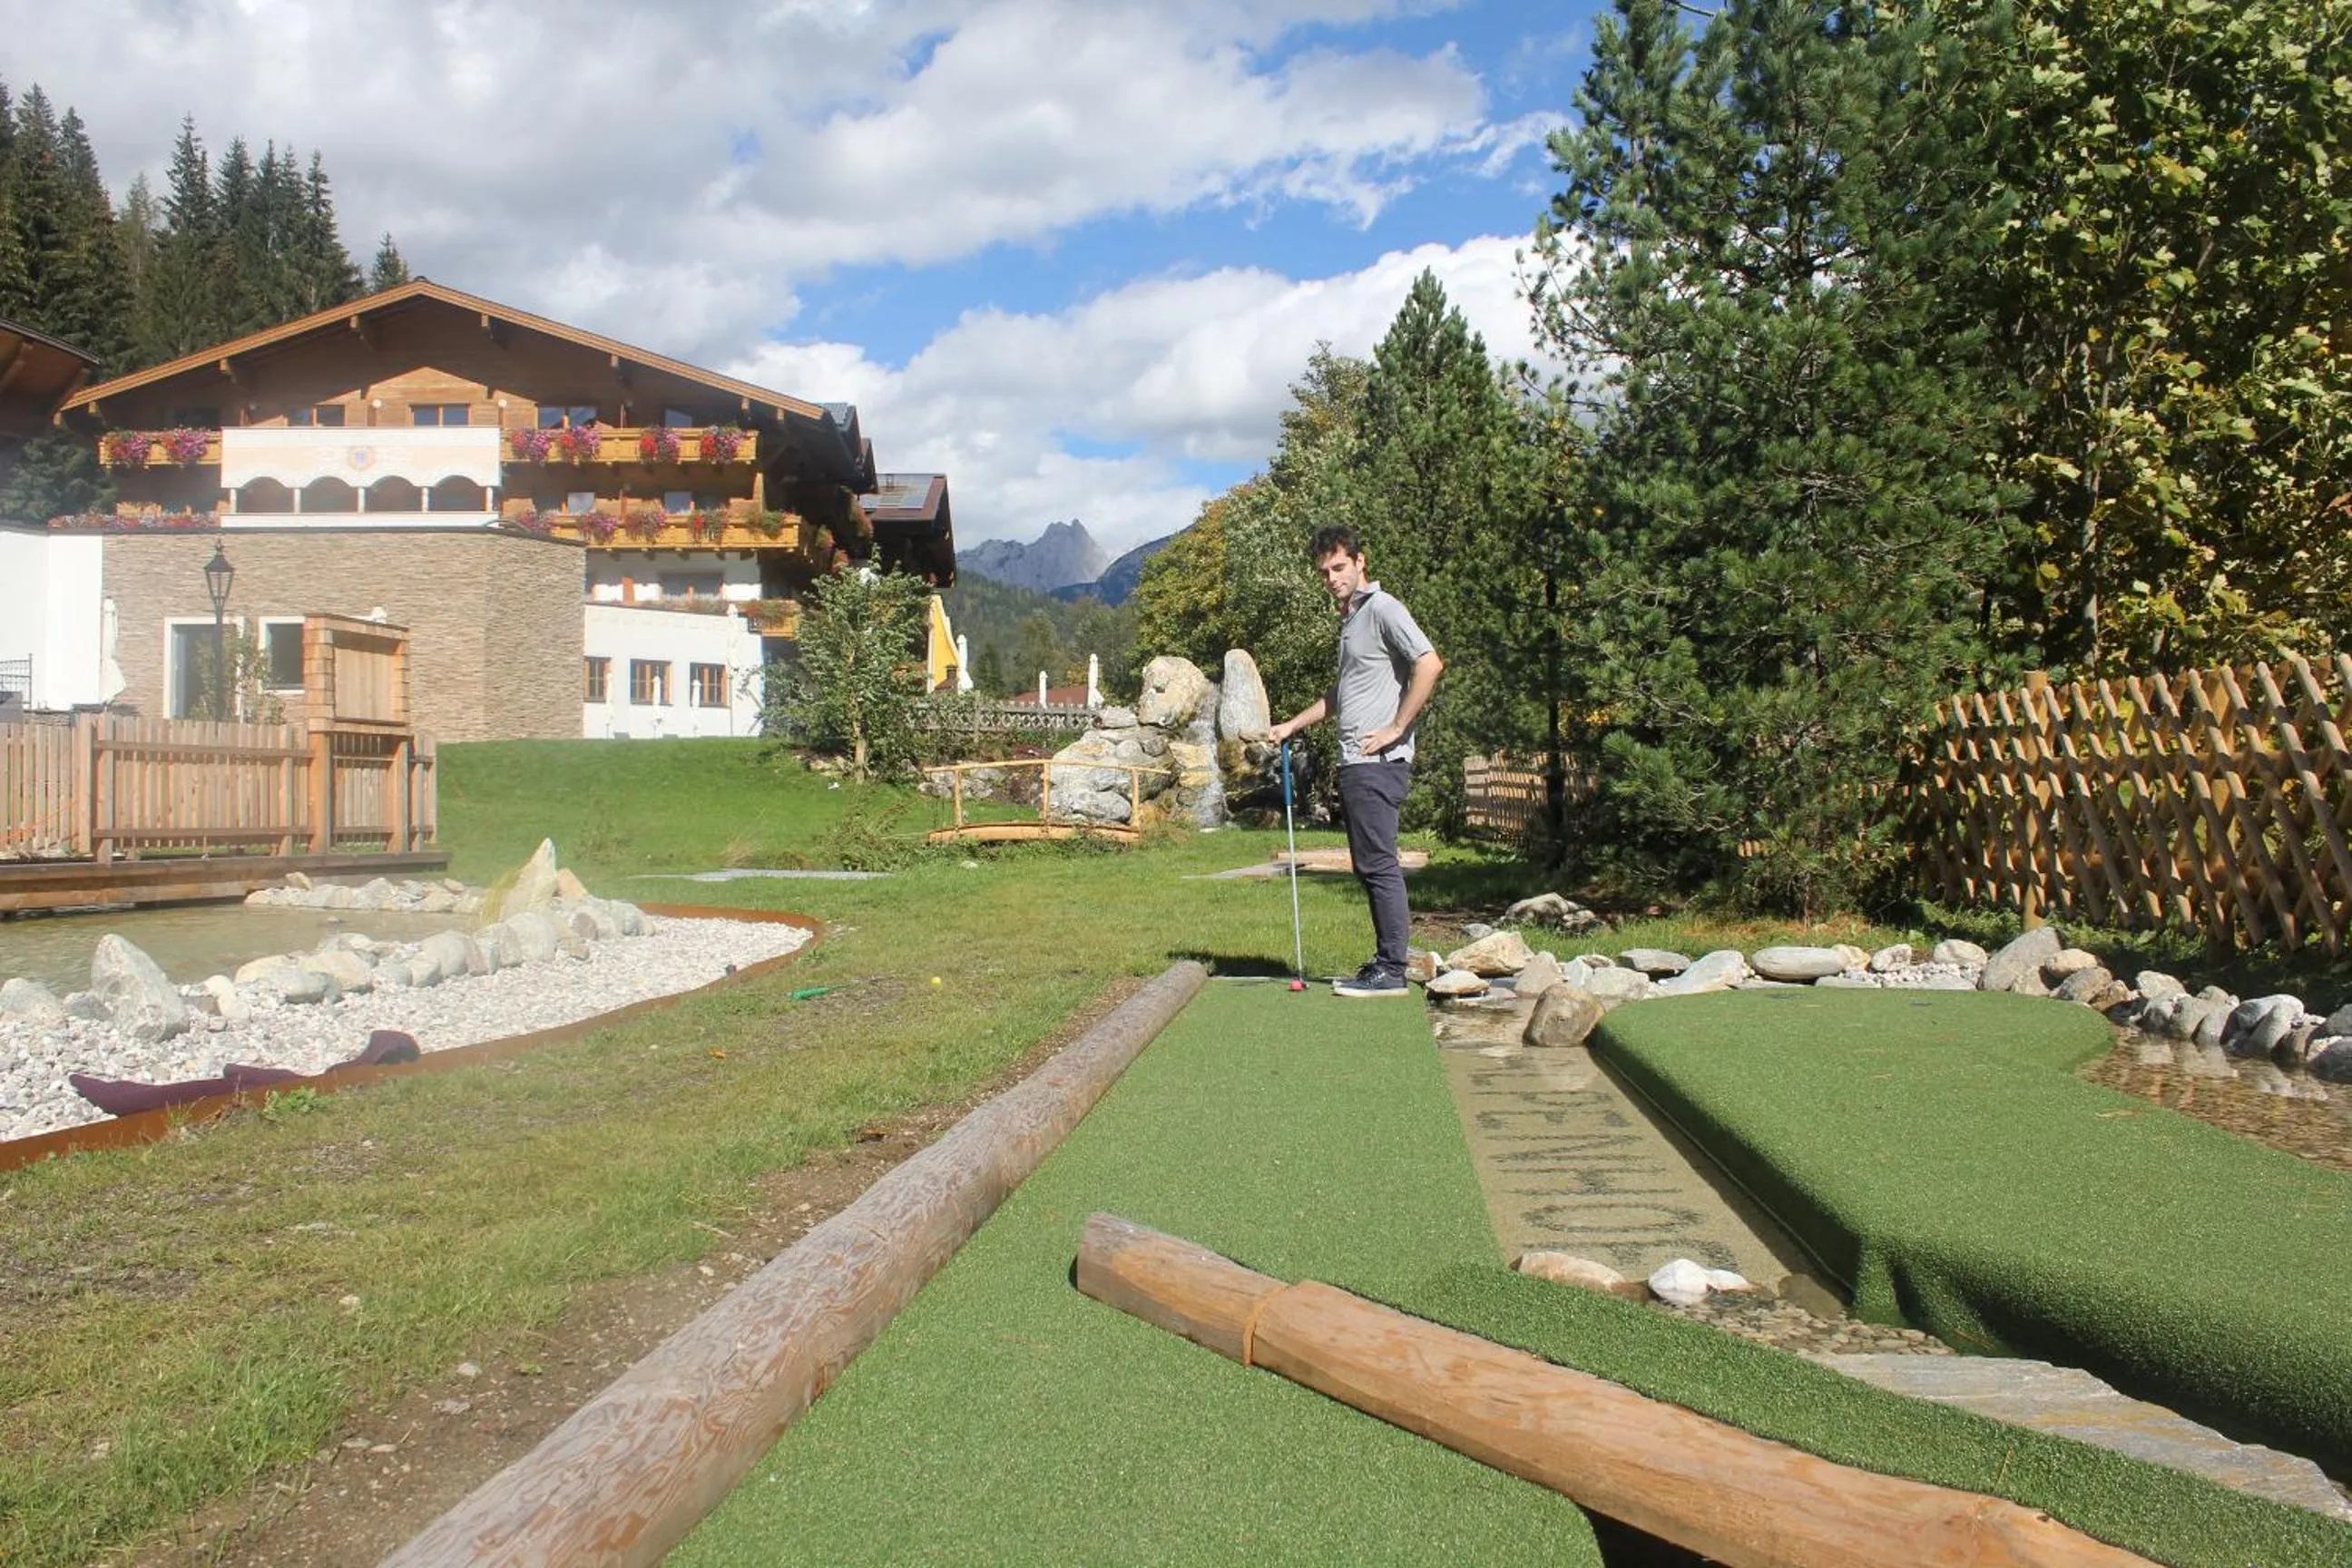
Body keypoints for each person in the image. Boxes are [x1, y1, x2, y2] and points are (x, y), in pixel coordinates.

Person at [1265, 525, 1443, 997]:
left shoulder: (1383, 608)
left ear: (1361, 561)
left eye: (1339, 567)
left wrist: (1397, 727)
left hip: (1377, 761)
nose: (1331, 577)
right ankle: (1387, 963)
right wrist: (1292, 726)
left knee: (1378, 864)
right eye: (1324, 571)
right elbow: (1342, 695)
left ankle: (1392, 971)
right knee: (1369, 863)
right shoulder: (1352, 619)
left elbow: (1429, 663)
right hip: (1356, 761)